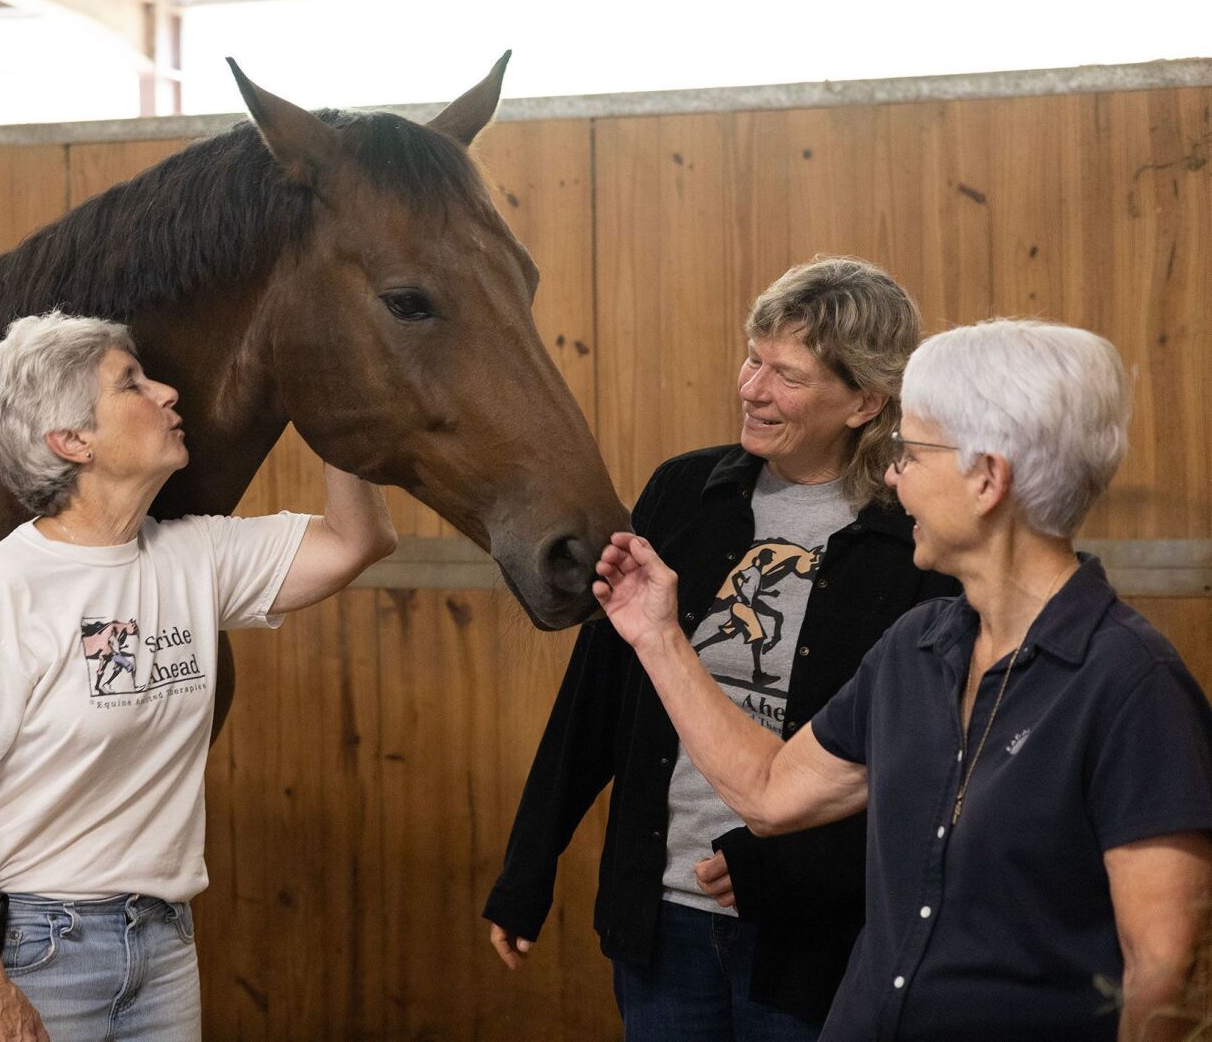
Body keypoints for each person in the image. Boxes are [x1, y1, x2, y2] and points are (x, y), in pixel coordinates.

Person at [592, 318, 1212, 1039]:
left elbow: (1163, 968)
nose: (890, 474)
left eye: (909, 452)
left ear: (987, 478)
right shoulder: (913, 649)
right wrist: (659, 635)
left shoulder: (1131, 685)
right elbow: (765, 791)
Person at [0, 310, 397, 1042]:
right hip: (32, 949)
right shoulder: (1, 588)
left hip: (161, 945)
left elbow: (357, 540)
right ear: (71, 440)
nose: (168, 393)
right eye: (133, 383)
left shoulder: (197, 555)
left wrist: (336, 415)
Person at [485, 257, 958, 1039]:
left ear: (865, 400)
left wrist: (791, 874)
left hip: (818, 945)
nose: (750, 388)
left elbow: (920, 770)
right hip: (659, 920)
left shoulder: (915, 534)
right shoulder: (683, 490)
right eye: (751, 357)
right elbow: (598, 692)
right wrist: (526, 867)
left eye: (785, 375)